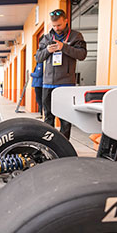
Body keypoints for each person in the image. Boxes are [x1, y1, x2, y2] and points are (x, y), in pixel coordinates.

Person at [35, 9, 87, 139]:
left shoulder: (76, 36)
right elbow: (38, 58)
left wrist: (64, 47)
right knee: (48, 117)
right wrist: (47, 50)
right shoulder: (46, 38)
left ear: (66, 21)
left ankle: (64, 147)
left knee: (65, 118)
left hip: (66, 84)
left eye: (59, 25)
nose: (56, 28)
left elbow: (82, 55)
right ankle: (48, 144)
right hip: (48, 84)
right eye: (54, 26)